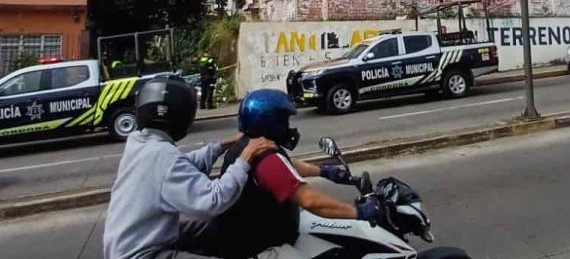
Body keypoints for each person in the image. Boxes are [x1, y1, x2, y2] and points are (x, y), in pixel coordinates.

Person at [103, 74, 276, 259]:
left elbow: (181, 166)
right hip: (143, 254)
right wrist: (246, 157)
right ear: (182, 116)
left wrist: (222, 146)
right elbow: (214, 199)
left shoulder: (140, 143)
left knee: (214, 228)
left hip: (131, 242)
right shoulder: (163, 155)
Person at [212, 89, 382, 259]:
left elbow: (287, 166)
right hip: (262, 250)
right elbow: (311, 201)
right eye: (284, 120)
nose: (288, 127)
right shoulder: (266, 159)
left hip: (260, 237)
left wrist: (325, 172)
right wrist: (360, 212)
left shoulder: (251, 146)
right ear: (271, 122)